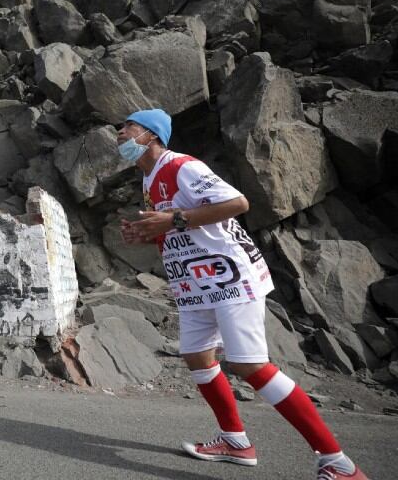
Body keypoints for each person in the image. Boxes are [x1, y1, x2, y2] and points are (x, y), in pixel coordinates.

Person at [117, 109, 367, 480]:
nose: (119, 133)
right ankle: (235, 442)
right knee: (197, 357)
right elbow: (179, 227)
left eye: (128, 127)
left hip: (229, 278)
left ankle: (337, 462)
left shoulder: (183, 167)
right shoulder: (148, 179)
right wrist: (147, 232)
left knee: (249, 364)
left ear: (151, 135)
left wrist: (172, 220)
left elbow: (237, 203)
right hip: (194, 284)